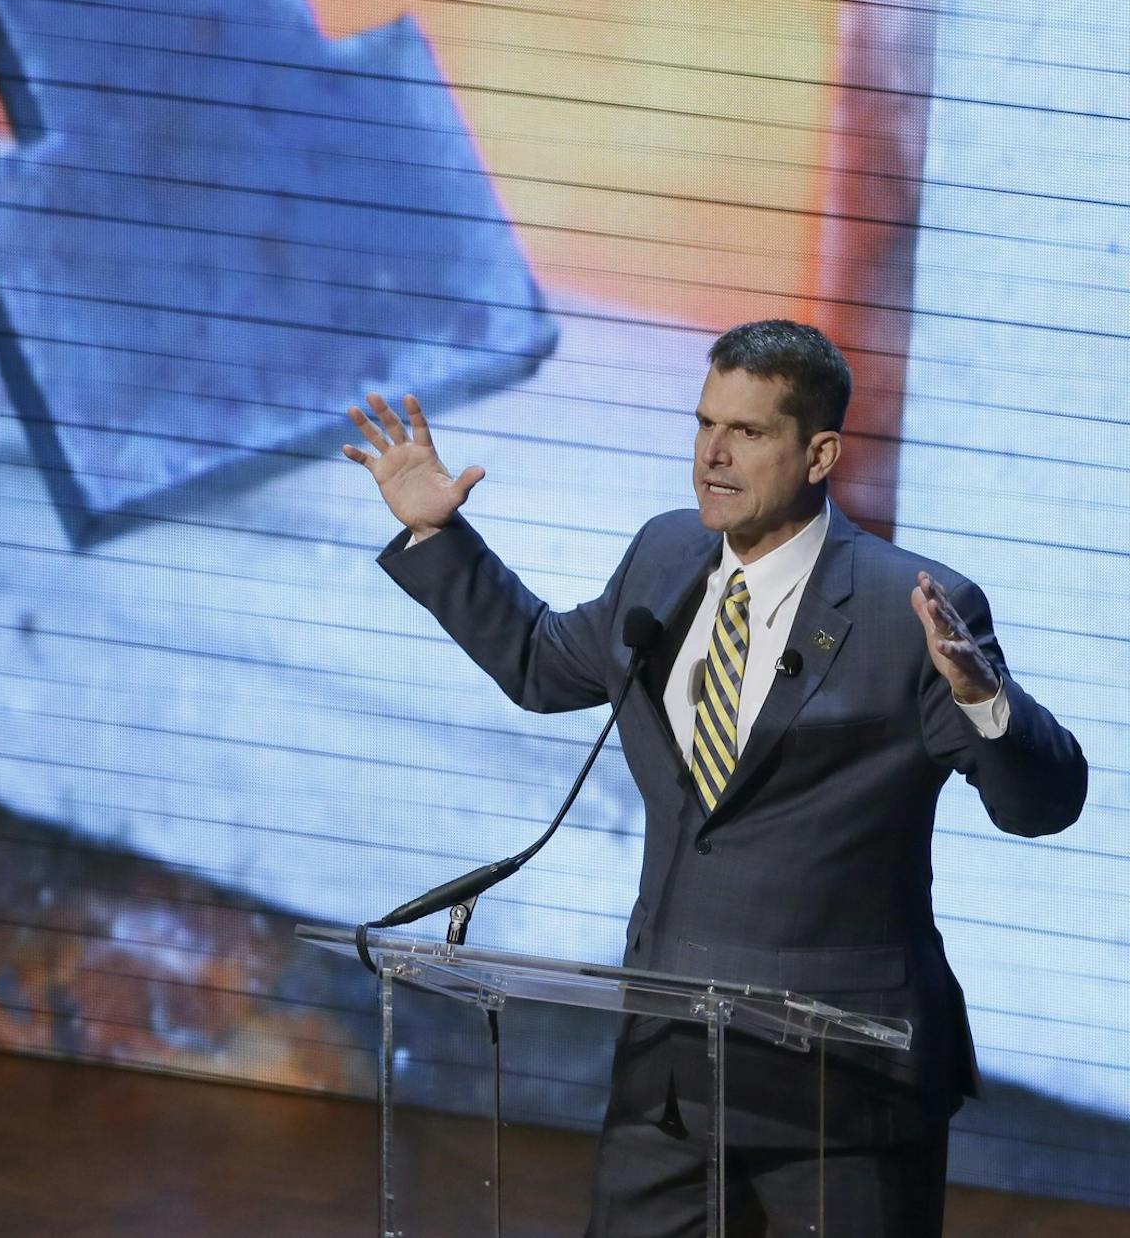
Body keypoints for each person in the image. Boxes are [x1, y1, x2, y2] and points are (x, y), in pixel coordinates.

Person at [341, 319, 1085, 1237]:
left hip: (840, 1085)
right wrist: (438, 533)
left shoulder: (915, 609)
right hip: (669, 1075)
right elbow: (542, 665)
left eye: (748, 433)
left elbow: (1043, 805)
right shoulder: (665, 558)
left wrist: (985, 697)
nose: (714, 456)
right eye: (704, 426)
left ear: (820, 454)